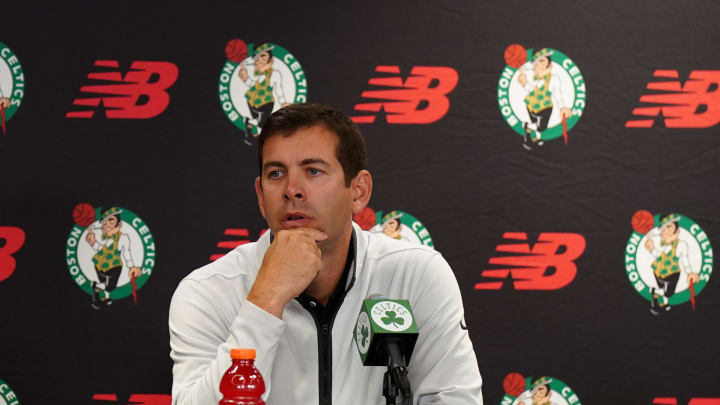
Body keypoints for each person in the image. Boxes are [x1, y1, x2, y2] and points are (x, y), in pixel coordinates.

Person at [169, 103, 483, 404]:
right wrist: (265, 300)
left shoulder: (414, 275)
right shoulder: (208, 290)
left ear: (358, 191)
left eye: (313, 171)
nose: (292, 189)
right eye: (276, 173)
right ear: (261, 197)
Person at [84, 207, 141, 309]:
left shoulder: (123, 237)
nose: (107, 225)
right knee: (110, 287)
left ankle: (105, 298)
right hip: (108, 266)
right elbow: (102, 249)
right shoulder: (108, 238)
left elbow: (126, 253)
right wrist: (92, 243)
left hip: (102, 265)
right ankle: (95, 286)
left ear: (119, 224)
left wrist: (131, 266)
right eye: (105, 222)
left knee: (105, 285)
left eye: (111, 220)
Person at [644, 213, 700, 315]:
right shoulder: (663, 244)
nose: (665, 231)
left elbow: (685, 259)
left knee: (666, 291)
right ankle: (654, 292)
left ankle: (664, 303)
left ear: (677, 231)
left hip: (671, 272)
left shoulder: (681, 244)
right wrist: (651, 249)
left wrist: (689, 273)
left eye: (669, 227)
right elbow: (658, 255)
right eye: (663, 228)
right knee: (667, 292)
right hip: (658, 271)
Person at [516, 48, 572, 150]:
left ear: (550, 65)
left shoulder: (553, 79)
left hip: (537, 106)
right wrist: (524, 83)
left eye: (542, 61)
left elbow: (557, 94)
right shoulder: (538, 78)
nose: (539, 65)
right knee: (541, 127)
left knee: (537, 126)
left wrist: (562, 107)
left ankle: (537, 139)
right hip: (537, 107)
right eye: (536, 63)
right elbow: (534, 91)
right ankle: (526, 126)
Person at [238, 43, 291, 144]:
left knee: (264, 125)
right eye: (257, 58)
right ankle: (249, 123)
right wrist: (245, 79)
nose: (259, 60)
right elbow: (258, 86)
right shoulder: (266, 75)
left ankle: (250, 129)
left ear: (271, 60)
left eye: (263, 56)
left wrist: (283, 102)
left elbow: (277, 88)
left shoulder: (273, 74)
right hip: (263, 103)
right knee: (266, 124)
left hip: (253, 102)